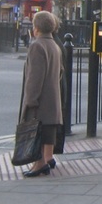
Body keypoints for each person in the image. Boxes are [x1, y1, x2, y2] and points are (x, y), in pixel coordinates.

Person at [20, 11, 64, 177]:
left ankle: (39, 164)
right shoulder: (55, 45)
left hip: (41, 98)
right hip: (53, 96)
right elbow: (60, 72)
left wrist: (31, 98)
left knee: (36, 129)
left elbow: (34, 76)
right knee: (48, 130)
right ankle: (47, 159)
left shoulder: (37, 46)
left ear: (36, 28)